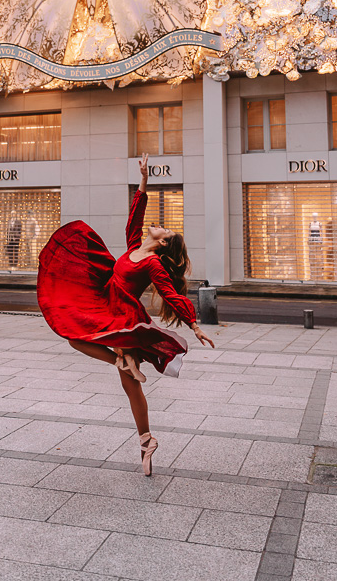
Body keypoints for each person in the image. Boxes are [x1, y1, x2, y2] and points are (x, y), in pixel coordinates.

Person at [37, 153, 214, 476]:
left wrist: (193, 324)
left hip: (123, 317)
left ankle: (145, 439)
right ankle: (126, 378)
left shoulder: (153, 263)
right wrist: (144, 179)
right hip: (104, 304)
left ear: (162, 243)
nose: (162, 226)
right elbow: (136, 214)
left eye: (167, 230)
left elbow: (170, 294)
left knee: (130, 386)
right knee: (75, 338)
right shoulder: (135, 244)